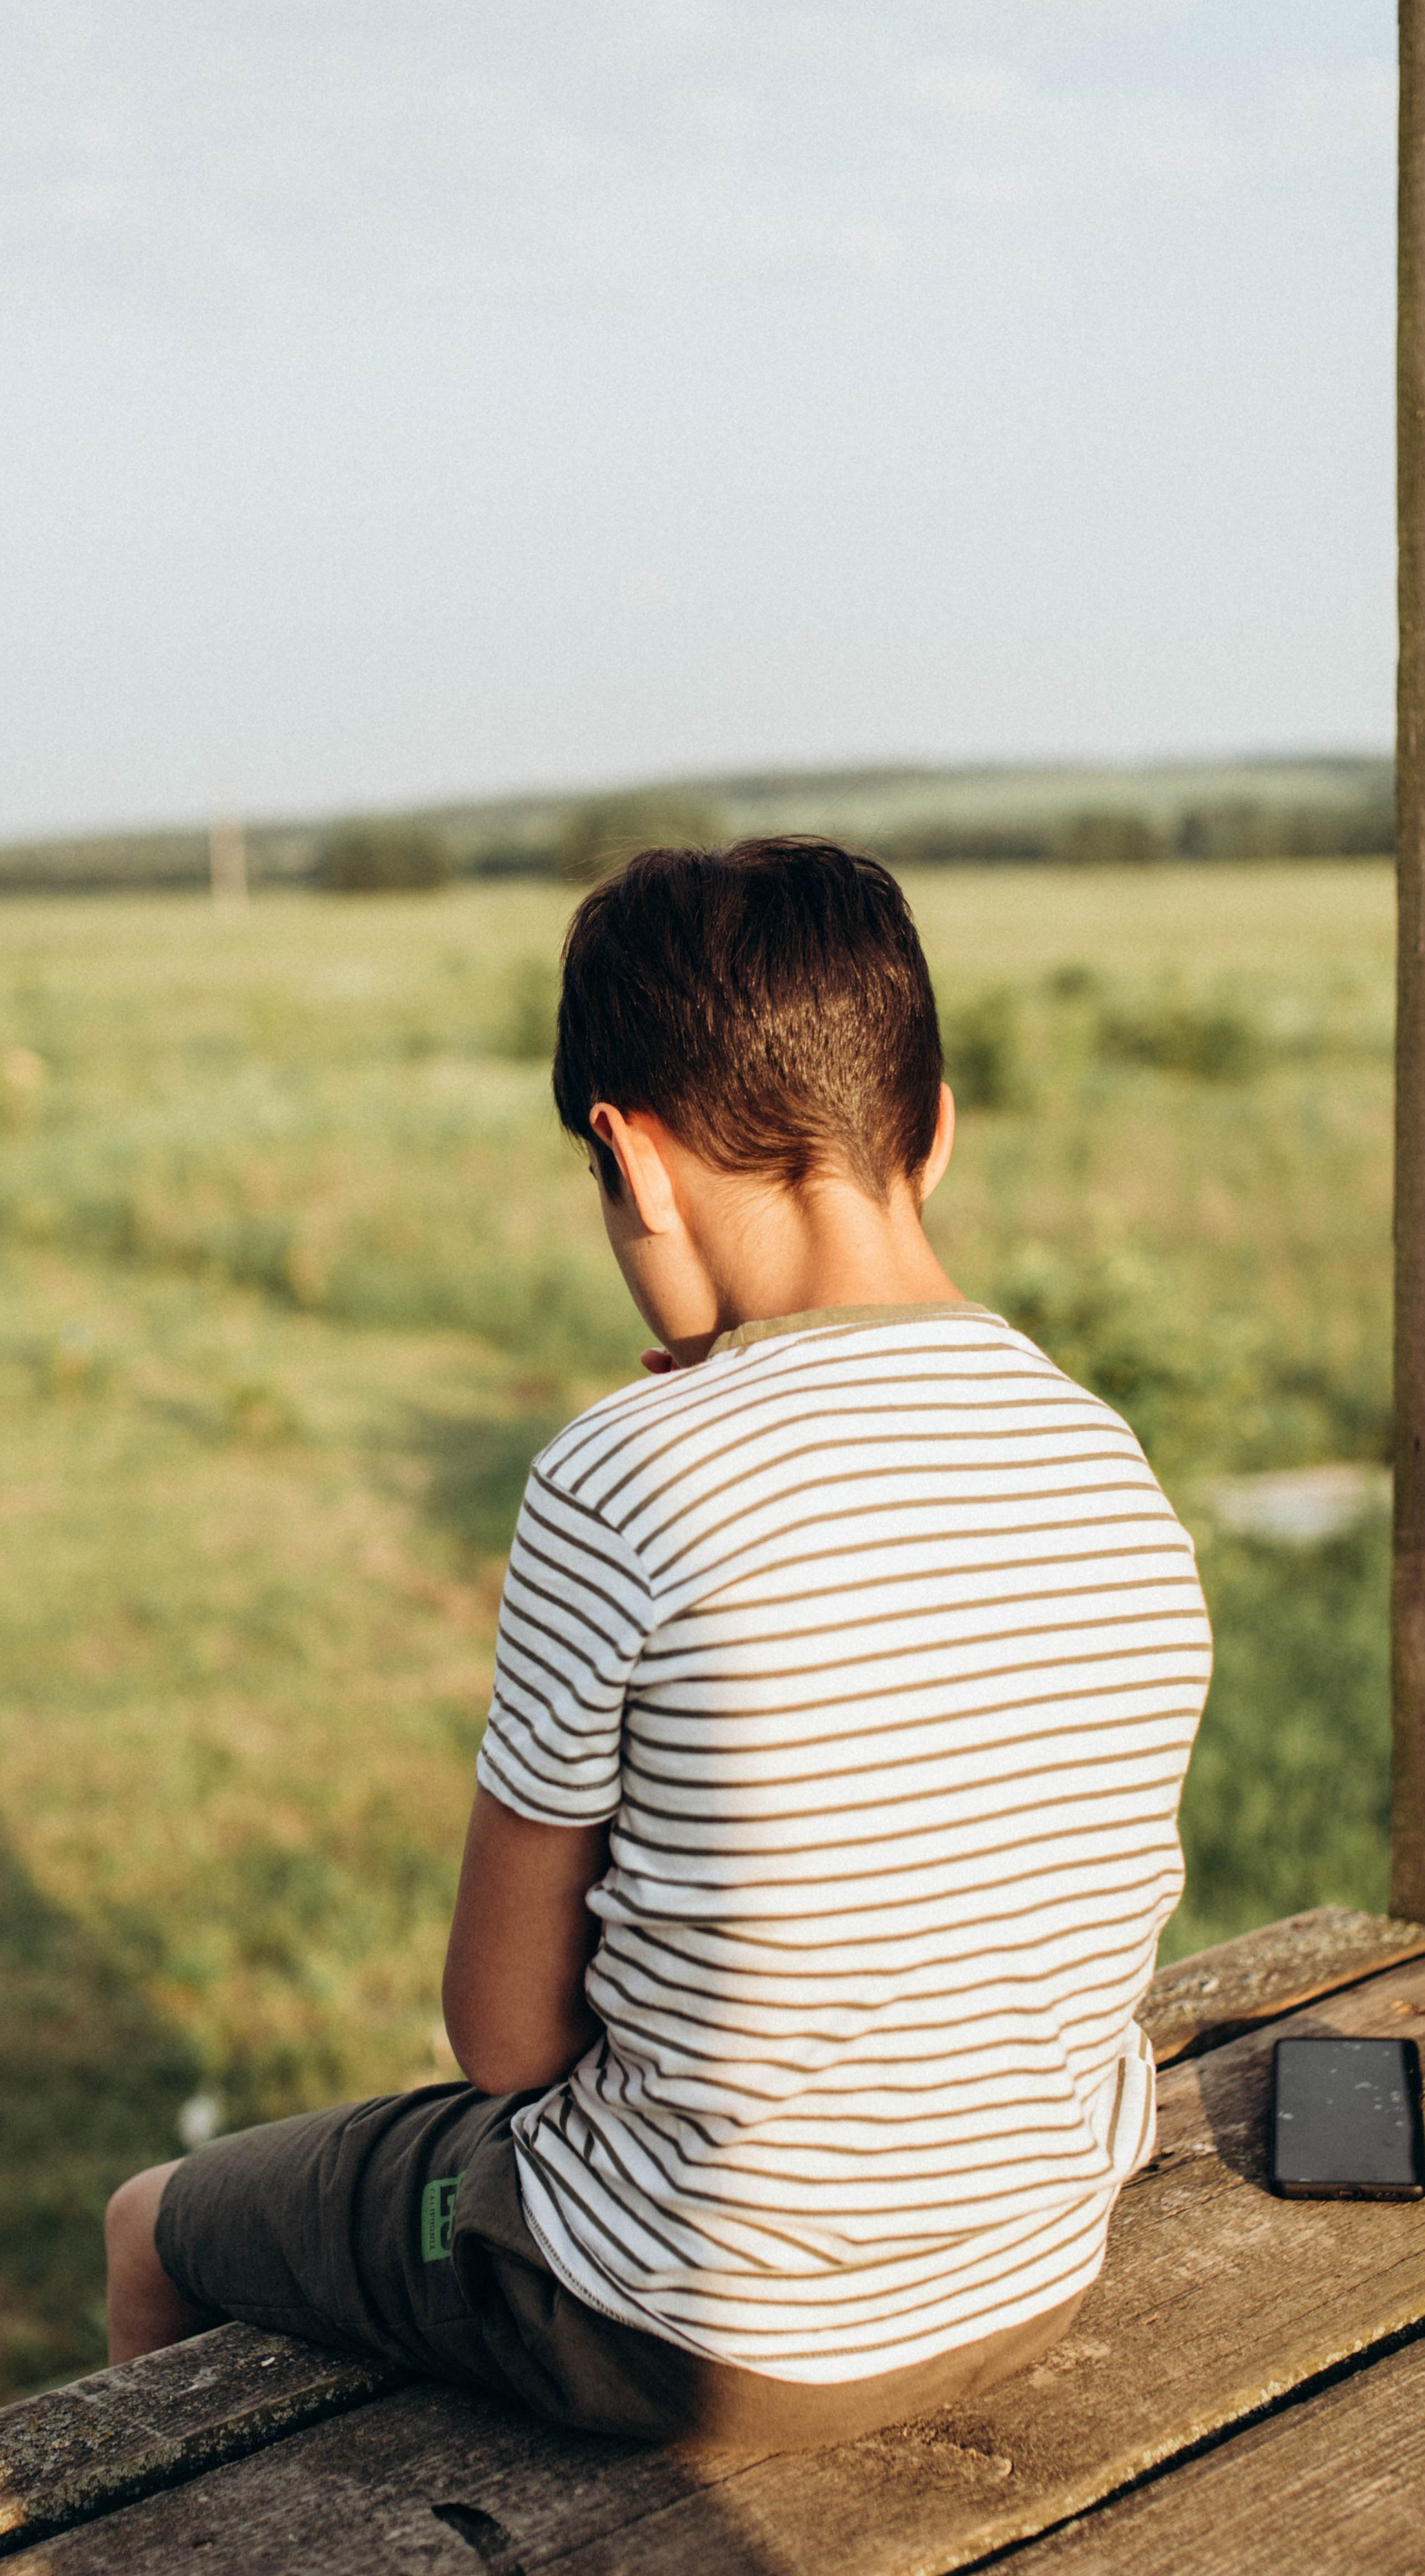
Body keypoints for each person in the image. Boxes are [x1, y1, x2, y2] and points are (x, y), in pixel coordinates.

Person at [105, 839, 1211, 2446]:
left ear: (632, 1161)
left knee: (154, 2222)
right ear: (938, 1129)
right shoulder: (1100, 1450)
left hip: (691, 2320)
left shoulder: (627, 1472)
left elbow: (503, 2043)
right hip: (1033, 2266)